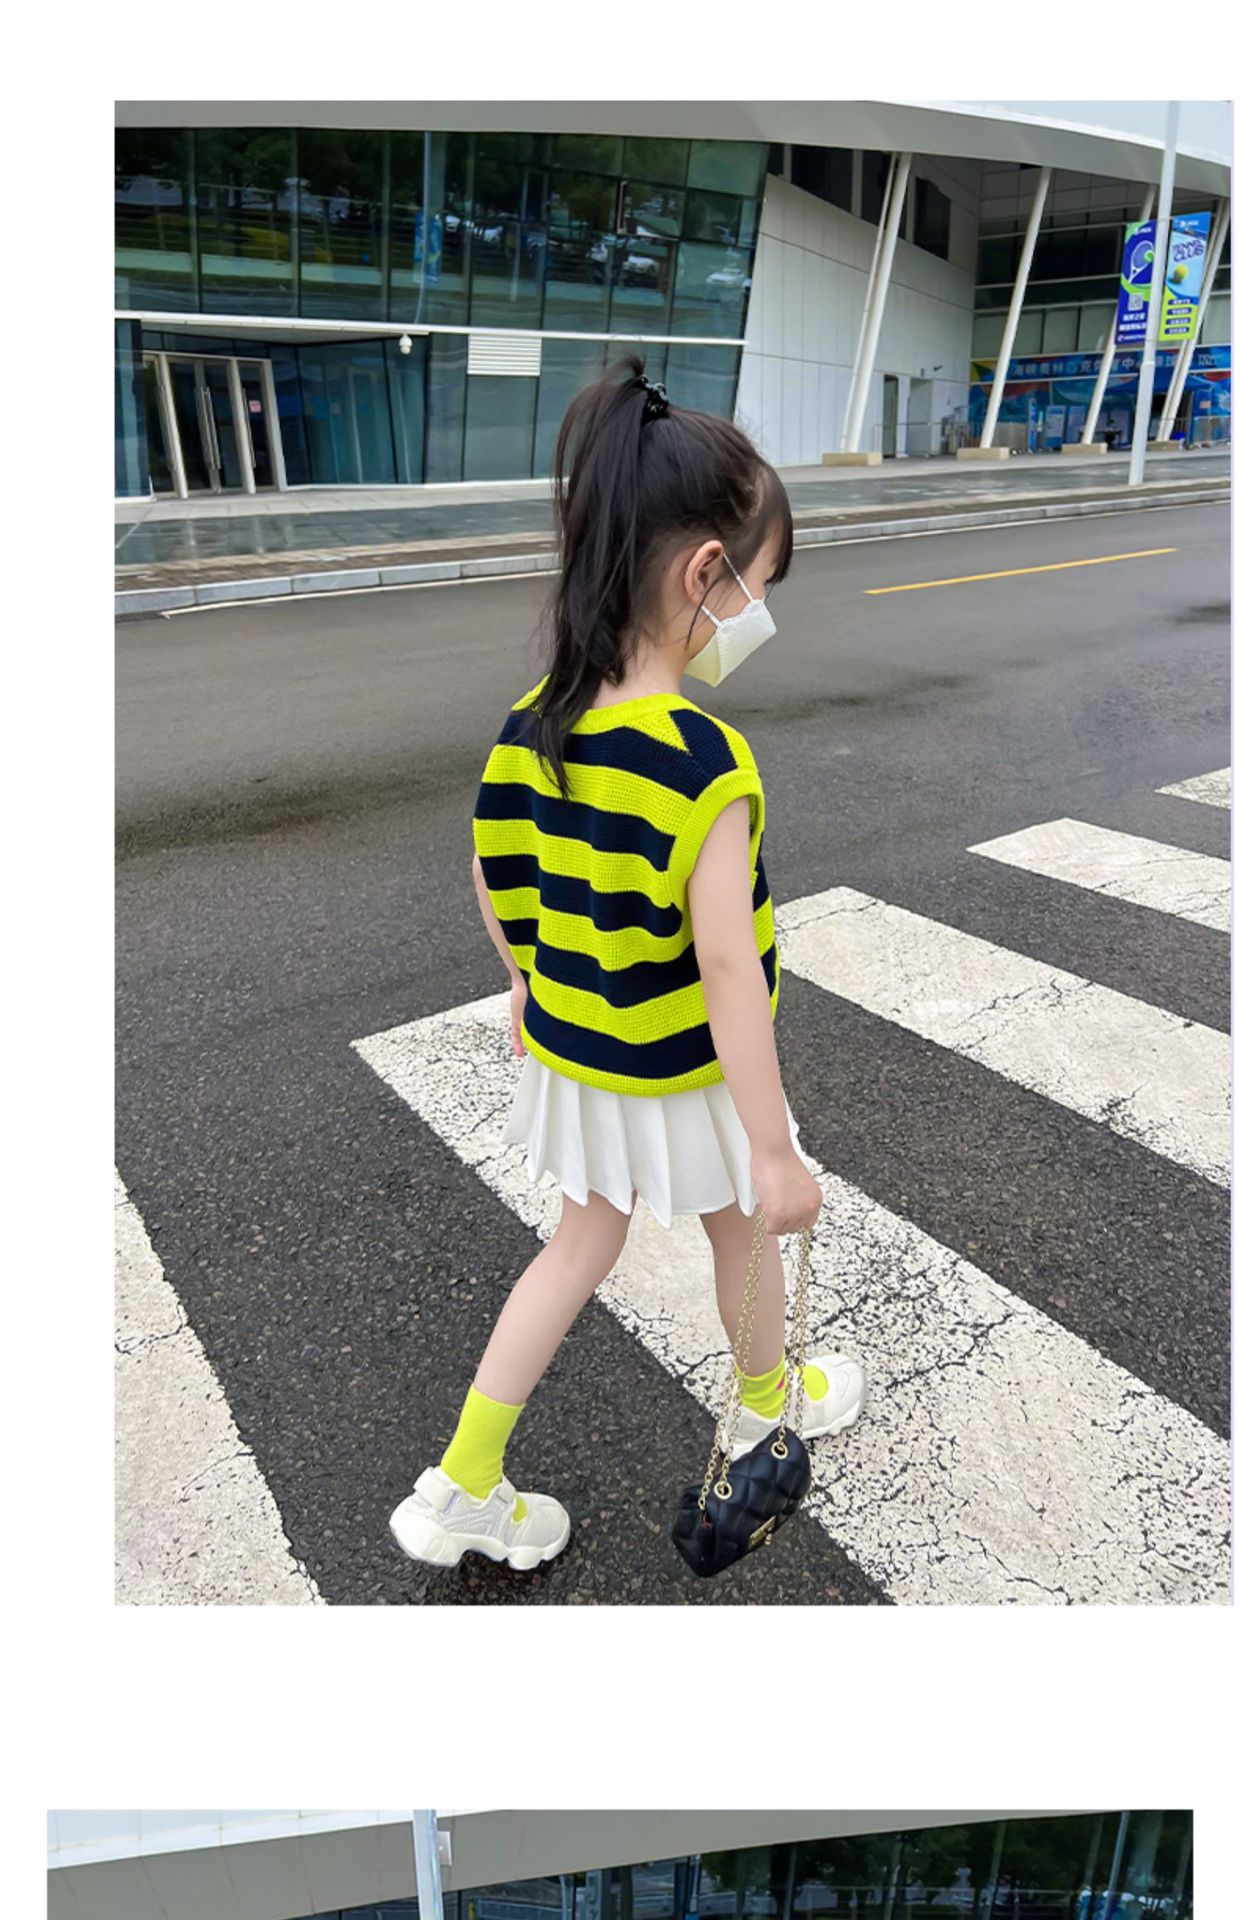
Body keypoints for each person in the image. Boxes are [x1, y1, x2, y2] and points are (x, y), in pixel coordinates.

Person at [389, 354, 866, 1573]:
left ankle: (464, 1480)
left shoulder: (535, 718)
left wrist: (523, 982)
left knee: (575, 1247)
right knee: (740, 1231)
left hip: (577, 1052)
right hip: (683, 1068)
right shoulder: (703, 763)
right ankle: (765, 1403)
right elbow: (727, 971)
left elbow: (493, 871)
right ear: (705, 574)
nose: (757, 613)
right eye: (757, 586)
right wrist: (772, 1148)